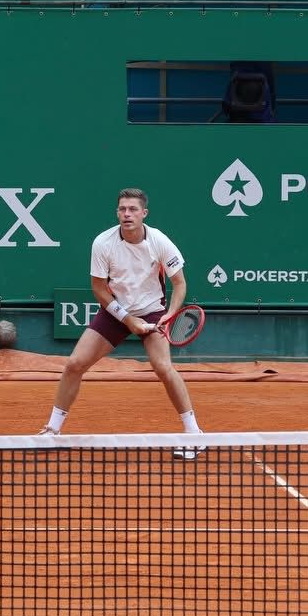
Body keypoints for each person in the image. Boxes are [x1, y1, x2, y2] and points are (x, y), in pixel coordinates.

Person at [40, 188, 204, 459]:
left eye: (133, 209)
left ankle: (195, 434)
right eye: (122, 209)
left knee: (163, 367)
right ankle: (51, 431)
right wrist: (128, 320)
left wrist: (169, 314)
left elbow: (180, 283)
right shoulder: (103, 243)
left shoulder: (159, 241)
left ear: (144, 214)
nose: (127, 214)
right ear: (117, 212)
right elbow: (99, 289)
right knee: (74, 364)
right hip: (117, 311)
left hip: (153, 311)